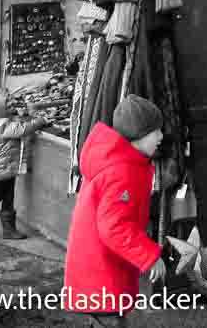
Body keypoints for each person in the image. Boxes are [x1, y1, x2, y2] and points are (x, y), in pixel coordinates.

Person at [63, 94, 167, 323]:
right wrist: (149, 256)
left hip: (98, 268)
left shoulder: (121, 163)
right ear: (137, 135)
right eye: (155, 131)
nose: (161, 136)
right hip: (102, 272)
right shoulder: (122, 171)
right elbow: (114, 227)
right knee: (110, 320)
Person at [0, 88, 49, 241]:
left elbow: (16, 123)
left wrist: (21, 115)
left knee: (8, 198)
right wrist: (39, 121)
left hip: (6, 167)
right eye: (7, 103)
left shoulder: (2, 120)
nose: (12, 104)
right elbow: (20, 130)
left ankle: (9, 230)